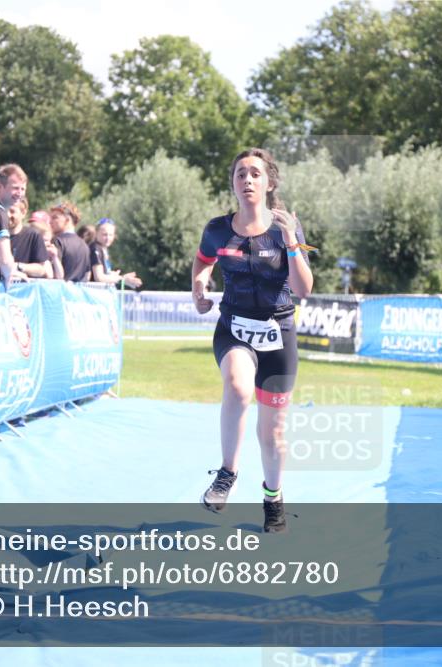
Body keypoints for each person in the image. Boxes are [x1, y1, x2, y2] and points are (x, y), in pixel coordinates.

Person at [191, 147, 313, 533]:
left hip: (278, 335)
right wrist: (199, 284)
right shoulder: (217, 229)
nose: (247, 180)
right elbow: (202, 260)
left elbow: (303, 288)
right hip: (234, 327)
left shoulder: (286, 227)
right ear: (232, 183)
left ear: (269, 182)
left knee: (273, 432)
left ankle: (273, 498)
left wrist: (292, 241)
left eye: (255, 174)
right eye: (240, 174)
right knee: (238, 388)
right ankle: (227, 473)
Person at [89, 217, 142, 288]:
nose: (108, 238)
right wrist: (122, 279)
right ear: (96, 233)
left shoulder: (103, 249)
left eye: (110, 235)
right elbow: (99, 277)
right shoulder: (96, 248)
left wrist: (112, 275)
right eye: (104, 234)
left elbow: (103, 275)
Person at [8, 199, 52, 278]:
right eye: (5, 210)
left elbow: (42, 269)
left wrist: (18, 267)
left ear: (23, 213)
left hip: (25, 288)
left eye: (12, 211)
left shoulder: (33, 236)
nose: (7, 215)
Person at [49, 201, 91, 282]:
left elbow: (54, 274)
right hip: (78, 293)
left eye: (55, 218)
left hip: (60, 292)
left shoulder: (58, 241)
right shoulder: (84, 245)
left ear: (67, 220)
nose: (50, 222)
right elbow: (87, 275)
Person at [29, 214, 64, 279]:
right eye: (44, 241)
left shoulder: (50, 252)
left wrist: (54, 257)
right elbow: (49, 274)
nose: (47, 244)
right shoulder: (29, 251)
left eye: (47, 240)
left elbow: (60, 276)